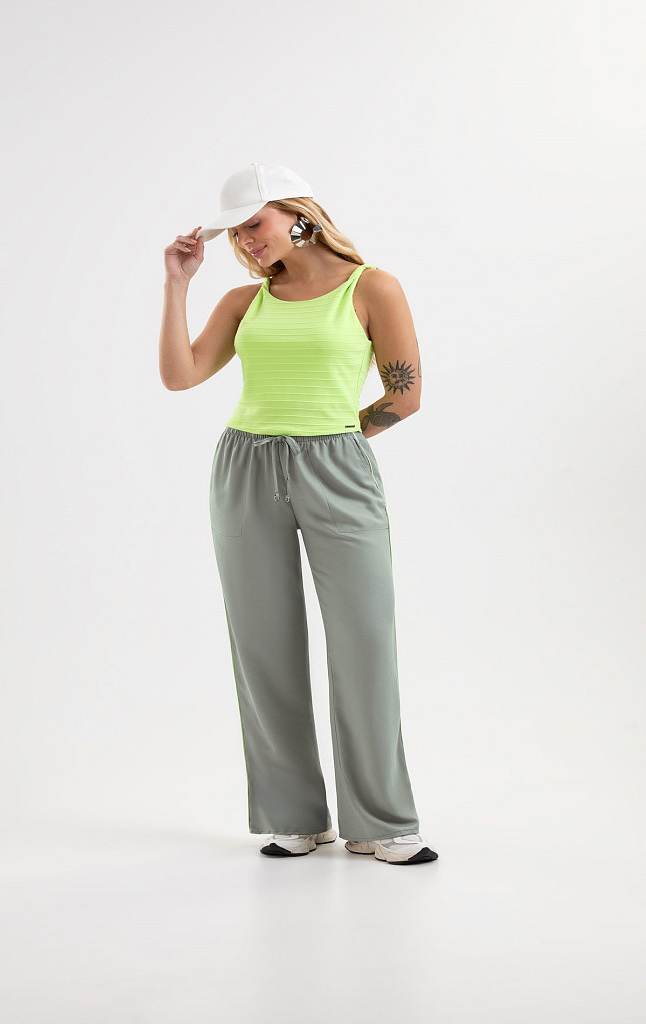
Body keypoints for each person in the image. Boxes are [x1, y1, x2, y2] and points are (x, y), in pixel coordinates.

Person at [160, 162, 438, 866]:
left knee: (364, 639)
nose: (245, 241)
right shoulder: (242, 302)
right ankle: (294, 816)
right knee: (263, 642)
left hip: (336, 464)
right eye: (235, 233)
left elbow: (404, 396)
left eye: (254, 223)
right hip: (245, 467)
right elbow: (180, 375)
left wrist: (335, 440)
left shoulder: (372, 286)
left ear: (298, 213)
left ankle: (380, 819)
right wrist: (177, 284)